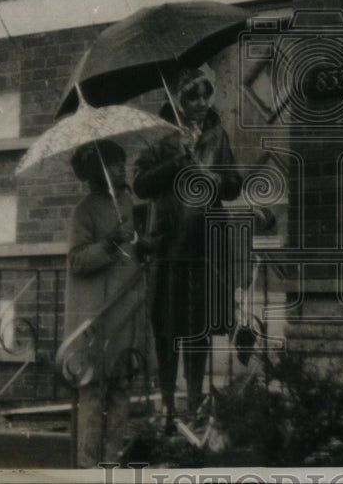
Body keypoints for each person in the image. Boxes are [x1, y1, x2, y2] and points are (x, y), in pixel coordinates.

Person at [133, 68, 243, 432]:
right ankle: (167, 406)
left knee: (198, 329)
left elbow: (233, 185)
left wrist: (220, 179)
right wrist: (175, 161)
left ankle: (195, 405)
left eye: (205, 95)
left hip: (205, 247)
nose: (200, 103)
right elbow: (141, 184)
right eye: (192, 96)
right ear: (178, 99)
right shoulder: (161, 138)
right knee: (167, 329)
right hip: (169, 246)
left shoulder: (217, 135)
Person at [64, 139, 152, 467]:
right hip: (95, 316)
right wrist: (108, 244)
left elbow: (137, 248)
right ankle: (88, 468)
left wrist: (144, 243)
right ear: (98, 171)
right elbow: (76, 260)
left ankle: (111, 464)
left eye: (122, 163)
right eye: (114, 164)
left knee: (120, 390)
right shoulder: (84, 210)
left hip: (125, 312)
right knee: (91, 393)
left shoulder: (130, 204)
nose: (121, 169)